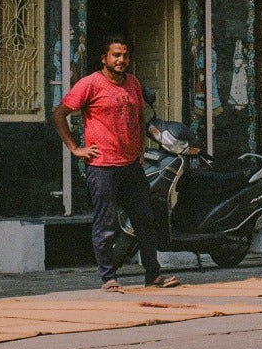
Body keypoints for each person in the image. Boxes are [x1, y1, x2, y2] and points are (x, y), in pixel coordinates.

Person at [53, 36, 181, 293]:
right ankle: (108, 278)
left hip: (131, 166)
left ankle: (153, 274)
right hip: (102, 166)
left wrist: (141, 149)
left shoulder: (133, 83)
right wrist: (75, 148)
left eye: (125, 55)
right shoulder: (90, 84)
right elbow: (59, 113)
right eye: (116, 55)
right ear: (104, 58)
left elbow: (138, 117)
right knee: (106, 223)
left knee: (145, 220)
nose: (121, 60)